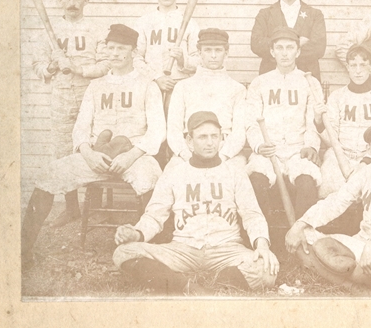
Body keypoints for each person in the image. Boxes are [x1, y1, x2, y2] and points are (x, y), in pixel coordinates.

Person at [22, 24, 166, 268]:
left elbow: (157, 131)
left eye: (122, 48)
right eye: (111, 48)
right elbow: (80, 128)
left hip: (134, 155)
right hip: (96, 154)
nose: (115, 53)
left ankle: (153, 250)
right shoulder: (96, 85)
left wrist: (131, 157)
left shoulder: (147, 85)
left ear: (133, 51)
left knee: (152, 178)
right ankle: (23, 250)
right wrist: (87, 154)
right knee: (48, 175)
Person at [113, 111, 279, 294]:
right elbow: (154, 215)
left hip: (227, 250)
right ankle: (186, 287)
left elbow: (252, 214)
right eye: (202, 137)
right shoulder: (174, 173)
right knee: (123, 252)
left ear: (221, 138)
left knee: (267, 267)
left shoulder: (235, 172)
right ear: (189, 141)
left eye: (214, 136)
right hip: (183, 250)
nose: (210, 142)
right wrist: (136, 234)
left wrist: (262, 244)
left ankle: (211, 285)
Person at [285, 122, 371, 289]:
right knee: (304, 237)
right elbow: (337, 201)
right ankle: (349, 282)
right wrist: (299, 224)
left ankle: (338, 273)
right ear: (369, 149)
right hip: (360, 243)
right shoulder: (366, 173)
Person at [31, 0, 111, 227]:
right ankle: (72, 208)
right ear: (59, 0)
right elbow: (37, 66)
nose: (72, 2)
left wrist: (75, 67)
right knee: (65, 151)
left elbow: (105, 65)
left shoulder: (98, 30)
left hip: (92, 96)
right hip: (62, 97)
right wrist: (52, 67)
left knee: (94, 147)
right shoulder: (48, 32)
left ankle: (95, 206)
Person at [245, 28, 322, 239]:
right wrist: (259, 145)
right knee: (257, 181)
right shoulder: (260, 82)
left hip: (298, 149)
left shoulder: (309, 81)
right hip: (269, 150)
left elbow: (312, 122)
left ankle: (302, 239)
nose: (285, 53)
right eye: (279, 48)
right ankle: (266, 238)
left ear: (298, 52)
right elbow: (251, 122)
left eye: (290, 48)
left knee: (307, 181)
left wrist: (311, 146)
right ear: (272, 51)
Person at [319, 43, 371, 198]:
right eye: (353, 65)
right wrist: (319, 122)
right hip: (341, 154)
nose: (358, 70)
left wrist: (366, 160)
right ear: (347, 67)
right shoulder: (337, 96)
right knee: (330, 180)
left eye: (363, 64)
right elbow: (331, 138)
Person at [166, 28, 247, 169]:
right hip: (190, 150)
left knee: (237, 177)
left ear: (226, 53)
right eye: (208, 50)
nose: (213, 55)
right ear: (199, 53)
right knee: (171, 177)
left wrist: (223, 156)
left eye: (218, 50)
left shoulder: (237, 89)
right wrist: (186, 155)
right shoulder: (183, 86)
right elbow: (173, 129)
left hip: (224, 150)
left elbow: (239, 132)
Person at [250, 0, 326, 81]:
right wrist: (297, 44)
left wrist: (276, 46)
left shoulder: (315, 15)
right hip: (271, 79)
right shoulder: (265, 14)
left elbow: (318, 48)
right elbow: (256, 45)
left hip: (305, 78)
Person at [133, 0, 201, 94]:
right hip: (151, 85)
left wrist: (182, 59)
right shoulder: (144, 22)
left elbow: (199, 61)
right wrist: (156, 77)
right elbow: (136, 58)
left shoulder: (190, 23)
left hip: (181, 87)